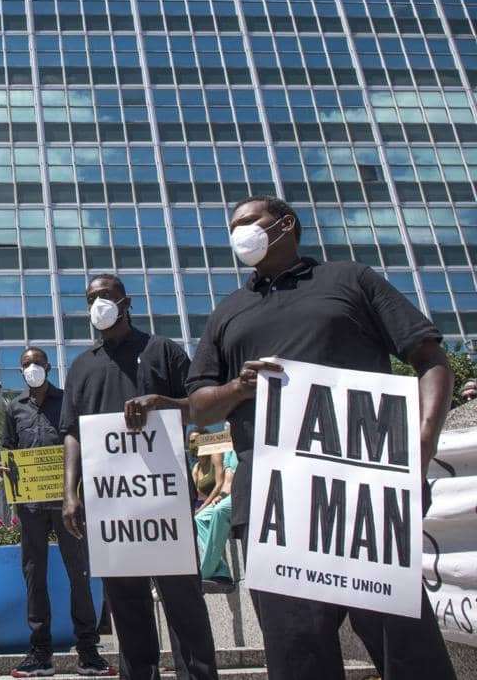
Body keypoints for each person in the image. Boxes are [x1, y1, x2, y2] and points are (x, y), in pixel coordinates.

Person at [186, 195, 457, 680]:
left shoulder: (350, 279)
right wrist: (237, 386)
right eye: (233, 225)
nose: (238, 232)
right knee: (298, 657)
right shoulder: (227, 312)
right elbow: (200, 406)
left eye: (249, 221)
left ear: (286, 224)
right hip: (275, 506)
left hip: (364, 499)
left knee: (409, 651)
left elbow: (430, 359)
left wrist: (421, 443)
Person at [61, 274, 219, 680]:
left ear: (126, 302)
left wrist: (166, 403)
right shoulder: (81, 367)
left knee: (183, 602)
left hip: (165, 504)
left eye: (105, 296)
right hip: (111, 507)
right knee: (127, 608)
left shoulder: (161, 350)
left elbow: (202, 408)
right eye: (91, 298)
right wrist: (70, 495)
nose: (98, 304)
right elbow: (73, 433)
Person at [0, 347, 107, 678]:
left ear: (48, 367)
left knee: (79, 572)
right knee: (34, 575)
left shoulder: (67, 400)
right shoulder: (14, 407)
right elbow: (7, 447)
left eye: (37, 363)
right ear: (21, 372)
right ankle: (40, 654)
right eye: (26, 364)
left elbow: (83, 443)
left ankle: (88, 652)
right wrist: (3, 463)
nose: (32, 368)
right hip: (30, 506)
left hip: (68, 504)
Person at [189, 434, 237, 591]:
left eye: (197, 439)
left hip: (243, 495)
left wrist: (215, 499)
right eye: (191, 441)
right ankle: (220, 571)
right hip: (227, 496)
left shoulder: (219, 453)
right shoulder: (230, 452)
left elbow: (219, 482)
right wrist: (221, 496)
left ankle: (205, 572)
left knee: (219, 510)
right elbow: (227, 483)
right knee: (199, 519)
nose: (194, 443)